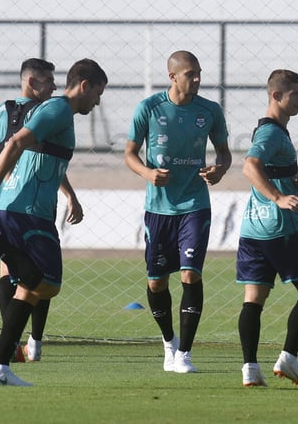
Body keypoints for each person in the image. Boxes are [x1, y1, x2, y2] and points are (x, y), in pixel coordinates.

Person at [0, 58, 107, 386]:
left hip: (27, 207)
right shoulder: (58, 110)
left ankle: (0, 367)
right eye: (98, 93)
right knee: (46, 282)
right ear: (84, 86)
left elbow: (35, 153)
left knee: (35, 283)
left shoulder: (58, 112)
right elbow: (16, 143)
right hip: (27, 209)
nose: (98, 101)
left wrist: (67, 195)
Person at [124, 50, 232, 374]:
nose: (197, 79)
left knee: (190, 274)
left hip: (195, 205)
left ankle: (184, 353)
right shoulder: (149, 108)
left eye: (199, 73)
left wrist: (220, 170)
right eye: (190, 74)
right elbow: (130, 154)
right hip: (158, 209)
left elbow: (225, 153)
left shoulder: (210, 111)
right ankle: (169, 341)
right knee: (157, 283)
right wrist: (147, 173)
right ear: (173, 76)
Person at [235, 69, 298, 388]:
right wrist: (279, 197)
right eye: (295, 93)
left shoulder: (272, 132)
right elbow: (249, 166)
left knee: (253, 299)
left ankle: (249, 368)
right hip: (281, 229)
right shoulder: (271, 133)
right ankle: (288, 358)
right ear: (276, 96)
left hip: (253, 229)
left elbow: (268, 171)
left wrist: (295, 182)